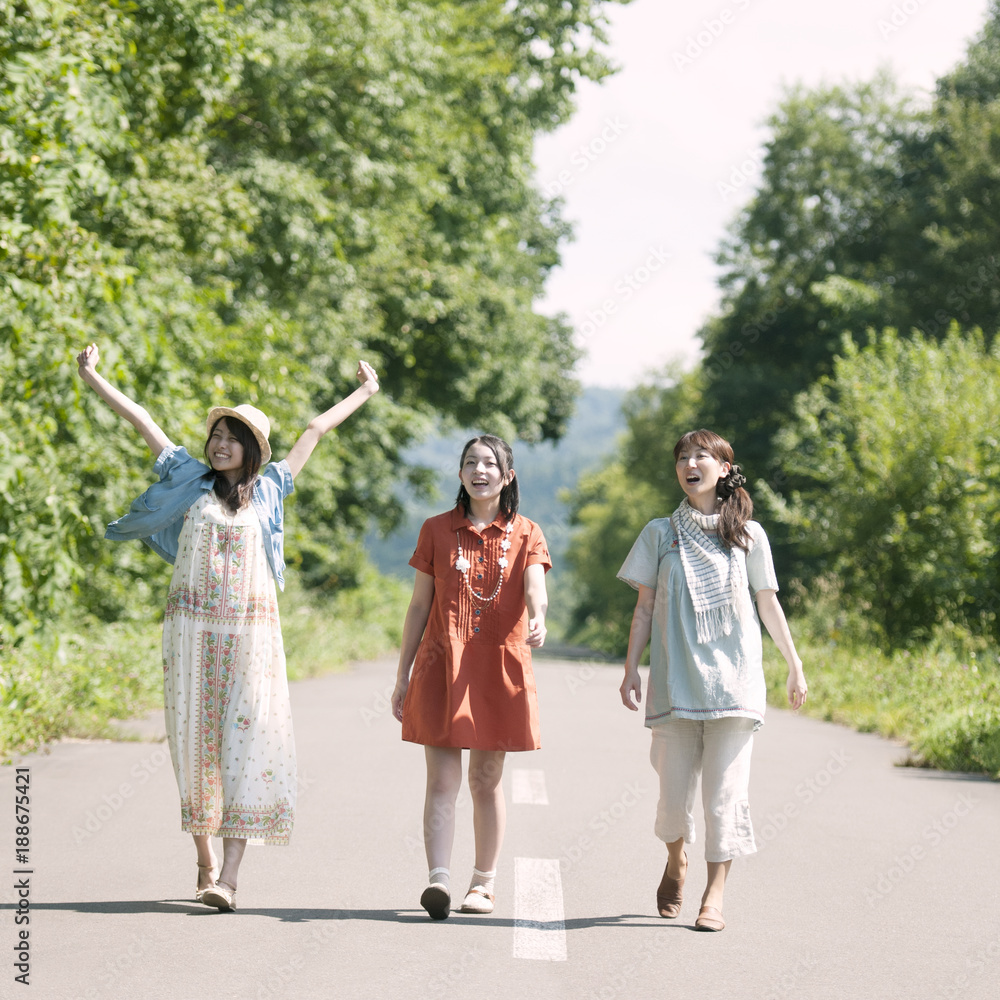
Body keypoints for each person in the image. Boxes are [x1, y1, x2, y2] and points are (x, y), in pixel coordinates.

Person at [76, 343, 379, 911]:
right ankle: (203, 859)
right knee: (194, 746)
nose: (220, 444)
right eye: (217, 433)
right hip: (189, 638)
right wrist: (93, 376)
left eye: (232, 437)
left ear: (251, 451)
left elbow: (314, 429)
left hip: (252, 641)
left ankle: (229, 880)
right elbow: (141, 418)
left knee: (246, 744)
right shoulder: (187, 478)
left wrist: (365, 392)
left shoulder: (270, 492)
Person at [617, 429, 807, 932]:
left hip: (735, 686)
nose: (689, 463)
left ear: (724, 467)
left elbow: (768, 601)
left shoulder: (749, 534)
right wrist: (632, 667)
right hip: (676, 684)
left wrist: (794, 664)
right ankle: (676, 858)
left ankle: (714, 895)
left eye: (701, 455)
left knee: (725, 796)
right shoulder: (660, 534)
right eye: (682, 457)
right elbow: (645, 608)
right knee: (673, 797)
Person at [390, 435, 550, 920]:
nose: (479, 471)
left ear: (508, 475)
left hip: (499, 668)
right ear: (460, 474)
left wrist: (539, 615)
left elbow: (535, 585)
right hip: (442, 665)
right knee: (441, 781)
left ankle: (483, 884)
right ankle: (438, 879)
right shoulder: (436, 530)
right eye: (470, 463)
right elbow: (419, 605)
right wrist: (403, 673)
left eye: (489, 463)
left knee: (485, 780)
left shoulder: (526, 532)